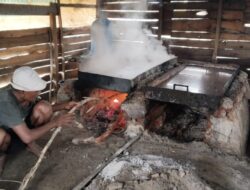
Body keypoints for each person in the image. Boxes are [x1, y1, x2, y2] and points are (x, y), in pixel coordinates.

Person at [0, 66, 76, 174]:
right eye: (35, 90)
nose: (38, 92)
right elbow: (26, 137)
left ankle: (31, 145)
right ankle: (1, 158)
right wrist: (55, 122)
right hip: (5, 132)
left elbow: (46, 109)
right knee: (1, 135)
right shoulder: (5, 102)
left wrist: (64, 106)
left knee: (44, 107)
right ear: (22, 91)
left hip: (15, 127)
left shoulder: (23, 95)